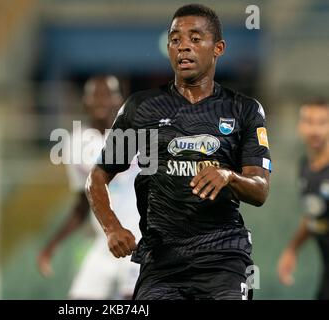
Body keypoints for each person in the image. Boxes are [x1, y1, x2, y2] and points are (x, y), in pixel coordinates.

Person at [86, 4, 271, 300]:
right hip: (161, 263)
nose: (183, 46)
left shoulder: (244, 110)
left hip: (223, 260)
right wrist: (111, 227)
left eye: (195, 39)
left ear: (218, 48)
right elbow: (97, 177)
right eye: (175, 40)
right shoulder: (141, 108)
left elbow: (260, 190)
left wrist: (228, 177)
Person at [37, 75, 141, 299]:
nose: (101, 100)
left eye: (107, 94)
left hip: (139, 242)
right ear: (85, 101)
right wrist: (52, 244)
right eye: (95, 95)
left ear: (118, 100)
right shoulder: (75, 143)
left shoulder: (137, 136)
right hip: (104, 244)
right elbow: (83, 204)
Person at [277, 100, 329, 300]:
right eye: (309, 121)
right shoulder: (305, 167)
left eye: (322, 122)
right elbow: (313, 215)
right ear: (300, 126)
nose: (314, 129)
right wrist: (292, 249)